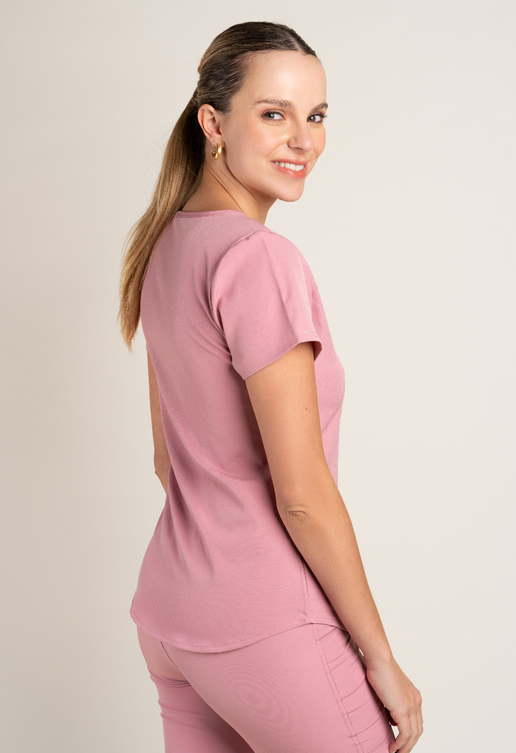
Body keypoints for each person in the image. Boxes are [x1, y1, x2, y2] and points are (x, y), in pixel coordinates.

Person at [119, 21, 423, 753]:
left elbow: (166, 461)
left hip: (172, 618)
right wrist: (380, 656)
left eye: (315, 116)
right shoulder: (258, 258)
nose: (303, 140)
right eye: (274, 113)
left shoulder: (166, 246)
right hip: (266, 624)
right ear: (213, 123)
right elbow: (301, 495)